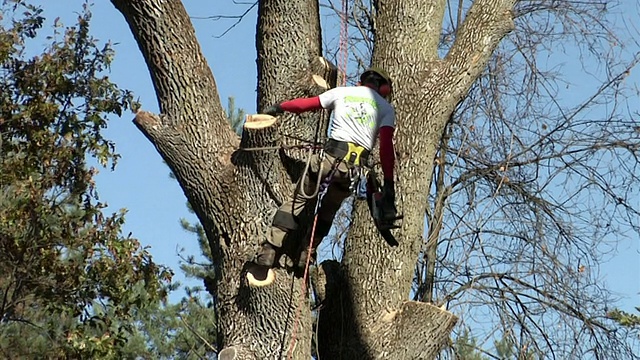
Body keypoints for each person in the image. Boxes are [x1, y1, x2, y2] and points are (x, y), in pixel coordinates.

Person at [256, 67, 398, 269]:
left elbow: (306, 105)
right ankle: (308, 252)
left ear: (360, 82)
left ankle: (270, 249)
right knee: (328, 212)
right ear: (383, 88)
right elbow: (385, 150)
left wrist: (280, 107)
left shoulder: (342, 92)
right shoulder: (385, 108)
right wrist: (389, 184)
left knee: (296, 202)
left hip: (328, 160)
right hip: (351, 172)